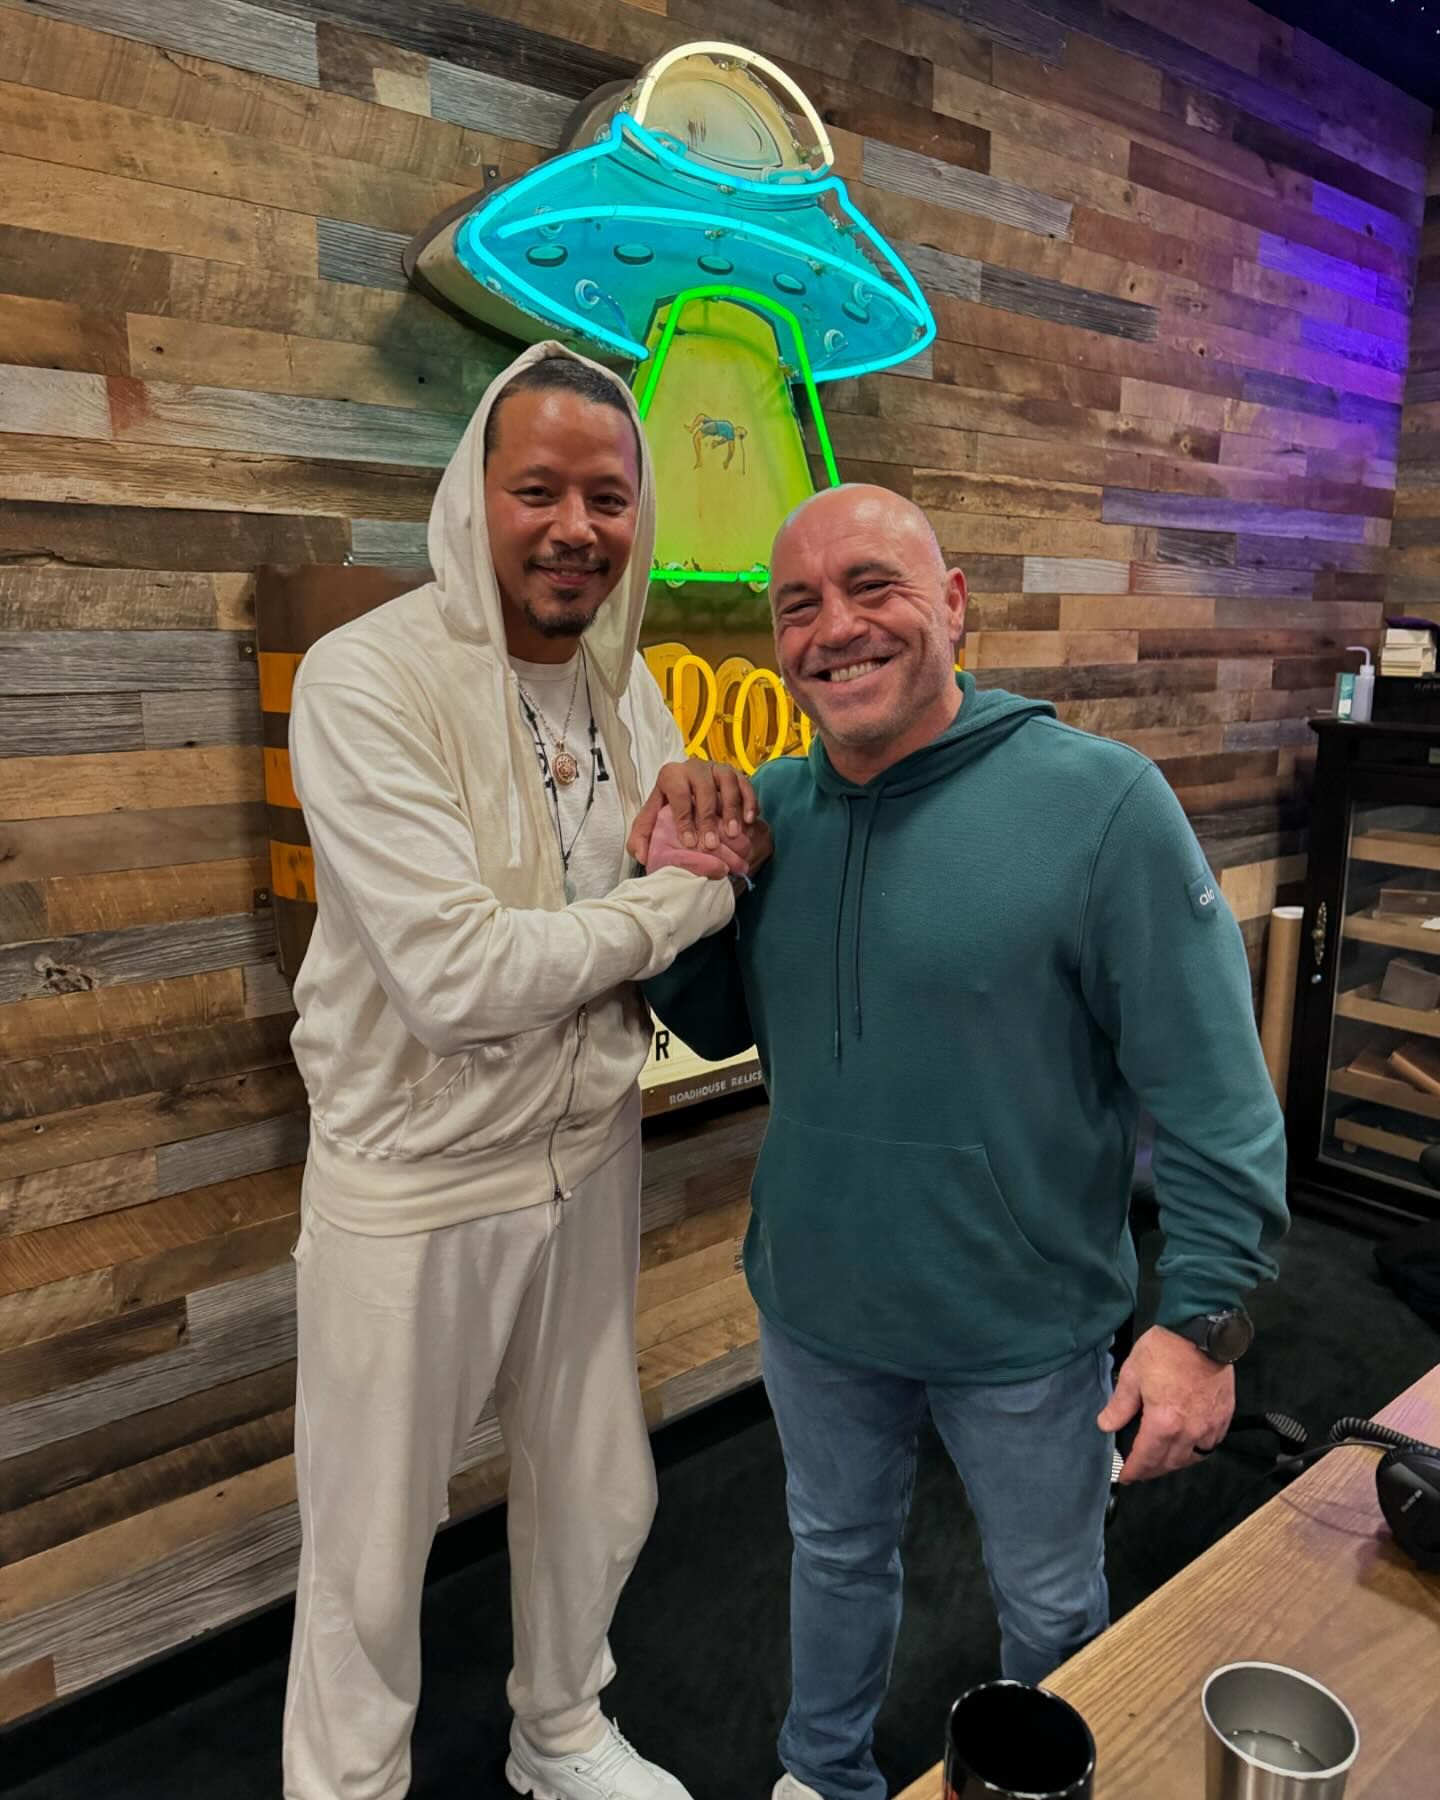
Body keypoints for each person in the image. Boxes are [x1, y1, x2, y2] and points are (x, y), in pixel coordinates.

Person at [636, 484, 1289, 1800]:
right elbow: (714, 1019)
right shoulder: (773, 813)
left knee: (1048, 1599)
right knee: (834, 1555)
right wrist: (678, 886)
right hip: (817, 1306)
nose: (835, 627)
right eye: (798, 605)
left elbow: (1215, 1090)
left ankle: (1047, 1782)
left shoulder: (1100, 805)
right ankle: (820, 1770)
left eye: (872, 585)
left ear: (952, 605)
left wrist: (1204, 1320)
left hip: (1026, 1326)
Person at [282, 342, 756, 1800]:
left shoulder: (626, 689)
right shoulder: (368, 678)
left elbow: (656, 865)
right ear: (471, 496)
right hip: (413, 1177)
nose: (575, 528)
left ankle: (559, 1732)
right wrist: (687, 901)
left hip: (586, 1150)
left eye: (607, 497)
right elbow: (454, 981)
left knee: (598, 1484)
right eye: (538, 490)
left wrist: (689, 849)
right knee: (369, 1550)